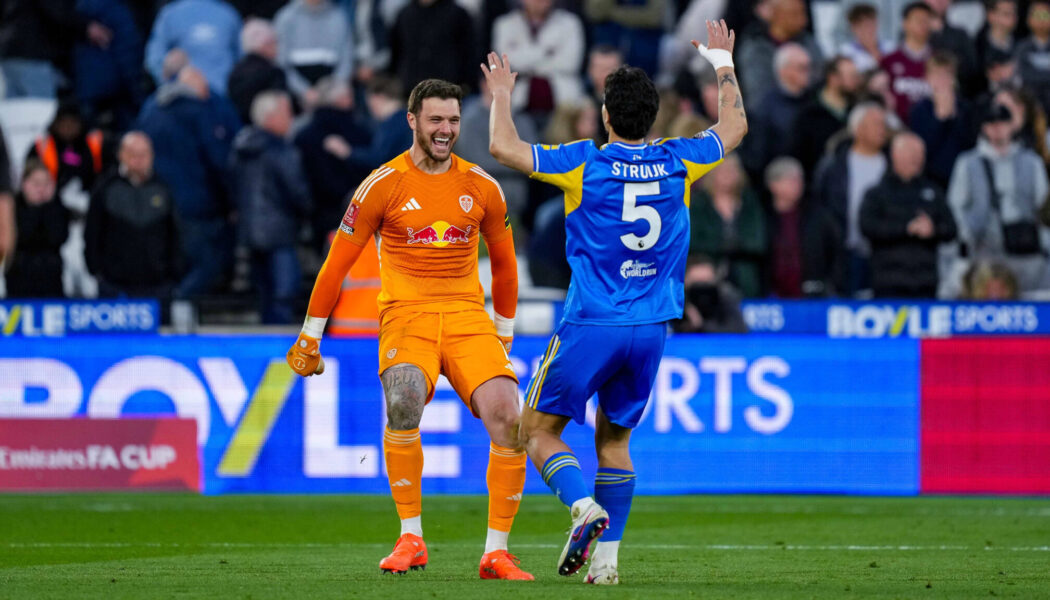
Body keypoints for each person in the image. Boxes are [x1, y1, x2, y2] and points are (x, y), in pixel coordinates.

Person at [485, 18, 747, 583]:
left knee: (536, 430)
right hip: (652, 326)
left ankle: (582, 507)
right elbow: (735, 125)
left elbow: (503, 147)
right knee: (616, 440)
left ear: (606, 115)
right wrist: (722, 62)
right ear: (652, 117)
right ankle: (606, 567)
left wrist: (503, 94)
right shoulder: (681, 159)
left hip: (591, 321)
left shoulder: (585, 161)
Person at [284, 79, 532, 580]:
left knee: (510, 418)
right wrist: (310, 336)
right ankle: (411, 537)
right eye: (436, 120)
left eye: (454, 121)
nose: (446, 130)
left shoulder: (482, 185)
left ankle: (497, 552)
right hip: (407, 315)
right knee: (403, 402)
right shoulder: (382, 185)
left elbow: (505, 268)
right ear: (413, 121)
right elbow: (336, 265)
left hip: (467, 318)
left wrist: (503, 334)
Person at [136, 64, 241, 299]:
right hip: (197, 204)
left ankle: (173, 307)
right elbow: (217, 160)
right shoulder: (201, 113)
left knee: (176, 263)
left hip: (157, 203)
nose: (207, 94)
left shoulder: (152, 112)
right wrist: (231, 202)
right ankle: (177, 305)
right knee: (208, 264)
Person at [947, 102, 1050, 293]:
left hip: (1026, 252)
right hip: (983, 250)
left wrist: (1044, 245)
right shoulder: (968, 163)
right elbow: (956, 207)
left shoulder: (1031, 162)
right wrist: (967, 238)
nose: (997, 130)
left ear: (1012, 125)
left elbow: (1043, 207)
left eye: (1002, 123)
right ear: (984, 128)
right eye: (991, 124)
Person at [230, 91, 312, 324]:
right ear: (270, 117)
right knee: (283, 295)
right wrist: (307, 212)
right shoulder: (282, 150)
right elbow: (298, 192)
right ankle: (280, 349)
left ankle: (266, 346)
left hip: (250, 232)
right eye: (286, 113)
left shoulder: (239, 147)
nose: (291, 119)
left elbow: (230, 187)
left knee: (264, 295)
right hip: (280, 232)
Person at [85, 131, 180, 301]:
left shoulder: (163, 188)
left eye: (143, 154)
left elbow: (175, 233)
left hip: (157, 283)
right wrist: (96, 271)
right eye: (132, 154)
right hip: (114, 284)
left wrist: (172, 272)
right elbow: (92, 231)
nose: (138, 160)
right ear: (121, 155)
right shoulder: (106, 188)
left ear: (151, 156)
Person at [860, 132, 957, 298]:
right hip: (888, 281)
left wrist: (933, 230)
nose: (916, 158)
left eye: (920, 154)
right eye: (911, 153)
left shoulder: (933, 190)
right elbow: (867, 227)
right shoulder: (877, 193)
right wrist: (906, 228)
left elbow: (952, 229)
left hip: (926, 281)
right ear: (895, 155)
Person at [813, 101, 890, 296]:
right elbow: (821, 205)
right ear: (858, 128)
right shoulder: (833, 166)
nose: (883, 130)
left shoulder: (892, 164)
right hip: (843, 252)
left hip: (883, 253)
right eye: (876, 124)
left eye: (884, 124)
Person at [689, 154, 767, 297]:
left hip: (745, 273)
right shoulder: (698, 203)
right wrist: (728, 248)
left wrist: (727, 249)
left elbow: (758, 241)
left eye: (732, 170)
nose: (728, 175)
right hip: (707, 269)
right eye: (723, 170)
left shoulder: (750, 203)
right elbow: (693, 241)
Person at [492, 0, 585, 118]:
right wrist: (547, 52)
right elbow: (508, 63)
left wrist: (525, 60)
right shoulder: (504, 24)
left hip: (562, 105)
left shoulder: (571, 23)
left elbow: (569, 63)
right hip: (518, 105)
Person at [764, 156, 842, 297]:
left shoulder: (817, 216)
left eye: (799, 179)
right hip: (771, 296)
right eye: (791, 179)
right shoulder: (762, 217)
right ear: (773, 185)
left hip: (812, 294)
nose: (798, 184)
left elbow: (835, 251)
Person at [908, 52, 977, 188]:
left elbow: (970, 144)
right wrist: (940, 119)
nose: (942, 80)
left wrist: (953, 117)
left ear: (954, 79)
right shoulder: (919, 110)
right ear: (927, 78)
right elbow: (922, 149)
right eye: (937, 75)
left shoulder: (966, 108)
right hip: (931, 180)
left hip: (963, 179)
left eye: (946, 75)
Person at [144, 0, 242, 94]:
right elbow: (155, 59)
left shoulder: (228, 14)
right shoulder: (170, 15)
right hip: (183, 97)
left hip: (222, 99)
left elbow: (241, 58)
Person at [791, 56, 861, 181]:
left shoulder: (859, 110)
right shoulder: (809, 113)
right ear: (833, 78)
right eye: (851, 76)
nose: (856, 81)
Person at [273, 0, 353, 109]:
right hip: (297, 97)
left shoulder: (338, 16)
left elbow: (346, 58)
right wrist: (303, 90)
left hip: (333, 94)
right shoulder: (286, 18)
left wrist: (335, 90)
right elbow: (281, 63)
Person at [6, 161, 69, 297]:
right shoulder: (12, 208)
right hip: (18, 283)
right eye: (36, 184)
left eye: (46, 184)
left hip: (51, 283)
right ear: (24, 184)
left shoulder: (57, 208)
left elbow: (58, 237)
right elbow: (22, 237)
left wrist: (47, 207)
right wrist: (35, 210)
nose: (41, 189)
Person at [227, 18, 289, 125]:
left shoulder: (234, 72)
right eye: (274, 42)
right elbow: (281, 107)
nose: (277, 48)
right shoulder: (273, 73)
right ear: (265, 45)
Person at [881, 2, 934, 123]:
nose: (923, 25)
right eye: (918, 20)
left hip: (932, 129)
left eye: (926, 20)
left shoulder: (938, 60)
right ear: (905, 24)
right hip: (897, 129)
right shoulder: (889, 60)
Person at [671, 254, 749, 333]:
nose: (702, 289)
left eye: (707, 283)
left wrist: (701, 325)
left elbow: (739, 330)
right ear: (684, 281)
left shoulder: (725, 298)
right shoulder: (673, 302)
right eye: (697, 283)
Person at [1015, 0, 1050, 114]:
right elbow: (1024, 74)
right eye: (1036, 15)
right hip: (1031, 106)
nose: (1041, 20)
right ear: (1029, 19)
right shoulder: (1021, 47)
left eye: (1045, 15)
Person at [839, 3, 894, 74]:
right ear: (853, 27)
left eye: (871, 24)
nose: (868, 29)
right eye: (862, 25)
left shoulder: (891, 47)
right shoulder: (846, 52)